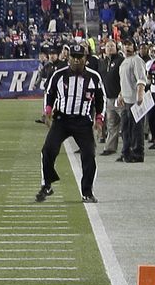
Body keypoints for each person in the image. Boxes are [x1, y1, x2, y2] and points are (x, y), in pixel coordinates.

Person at [37, 45, 106, 203]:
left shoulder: (94, 77)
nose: (76, 60)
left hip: (83, 121)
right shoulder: (59, 75)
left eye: (79, 57)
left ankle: (87, 192)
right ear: (68, 58)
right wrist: (47, 111)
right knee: (48, 150)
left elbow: (101, 99)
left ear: (85, 59)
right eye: (73, 56)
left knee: (88, 155)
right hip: (62, 119)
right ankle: (46, 184)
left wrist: (99, 120)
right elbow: (50, 93)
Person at [116, 39, 148, 162]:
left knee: (136, 129)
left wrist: (140, 95)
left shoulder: (137, 60)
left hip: (134, 100)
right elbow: (123, 82)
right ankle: (126, 152)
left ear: (134, 47)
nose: (127, 47)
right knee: (125, 128)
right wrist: (120, 94)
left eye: (129, 45)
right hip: (126, 99)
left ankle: (138, 153)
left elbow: (141, 79)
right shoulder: (124, 62)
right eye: (125, 45)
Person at [97, 38, 124, 156]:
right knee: (111, 124)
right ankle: (110, 148)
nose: (110, 48)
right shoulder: (102, 62)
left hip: (121, 98)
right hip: (108, 98)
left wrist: (122, 93)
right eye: (108, 46)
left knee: (127, 123)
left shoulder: (121, 61)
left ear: (116, 48)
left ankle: (131, 146)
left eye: (112, 46)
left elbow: (124, 79)